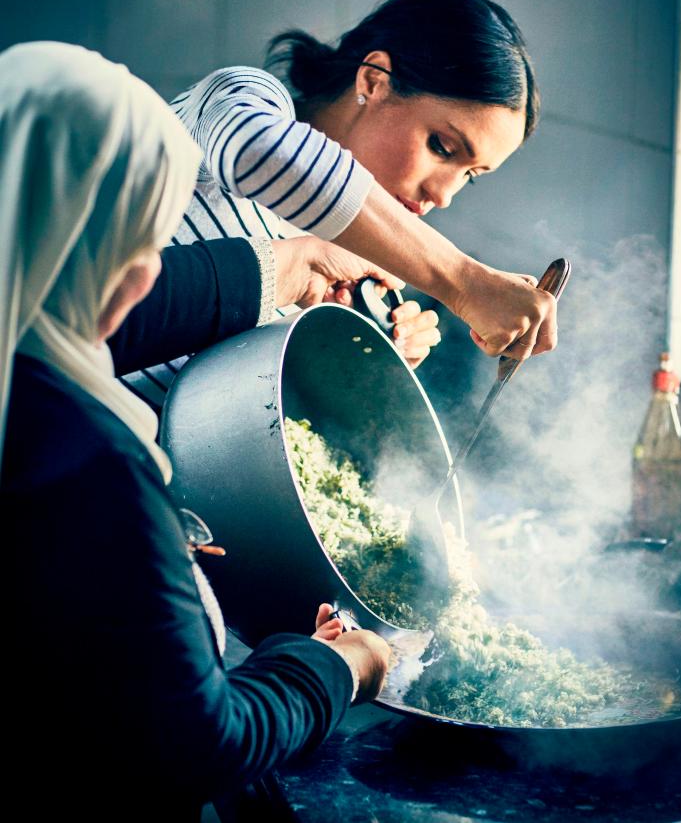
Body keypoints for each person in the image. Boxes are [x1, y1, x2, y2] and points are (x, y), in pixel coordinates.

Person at [1, 41, 392, 821]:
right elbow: (199, 745)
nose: (152, 270)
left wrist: (280, 269)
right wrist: (334, 664)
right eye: (139, 240)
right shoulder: (90, 464)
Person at [127, 0, 557, 407]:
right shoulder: (241, 98)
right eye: (442, 147)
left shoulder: (349, 275)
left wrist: (344, 359)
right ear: (374, 81)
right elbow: (254, 149)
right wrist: (464, 282)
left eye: (471, 175)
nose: (443, 195)